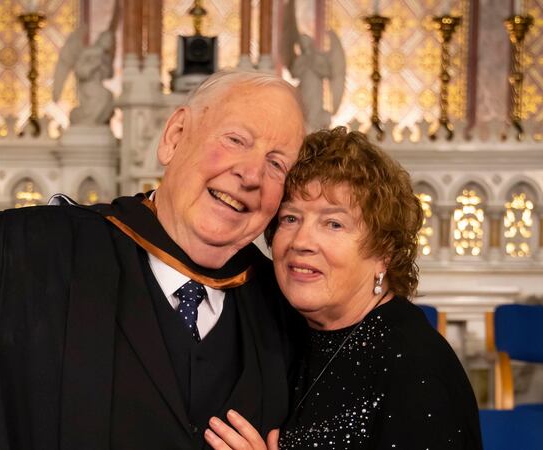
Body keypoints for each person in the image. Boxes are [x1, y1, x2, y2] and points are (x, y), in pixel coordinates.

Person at [0, 70, 306, 450]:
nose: (251, 176)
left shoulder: (285, 314)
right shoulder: (12, 260)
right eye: (236, 140)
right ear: (175, 135)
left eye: (276, 164)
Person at [204, 127, 482, 449]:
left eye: (333, 223)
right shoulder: (277, 330)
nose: (301, 242)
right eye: (290, 218)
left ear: (383, 252)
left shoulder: (415, 368)